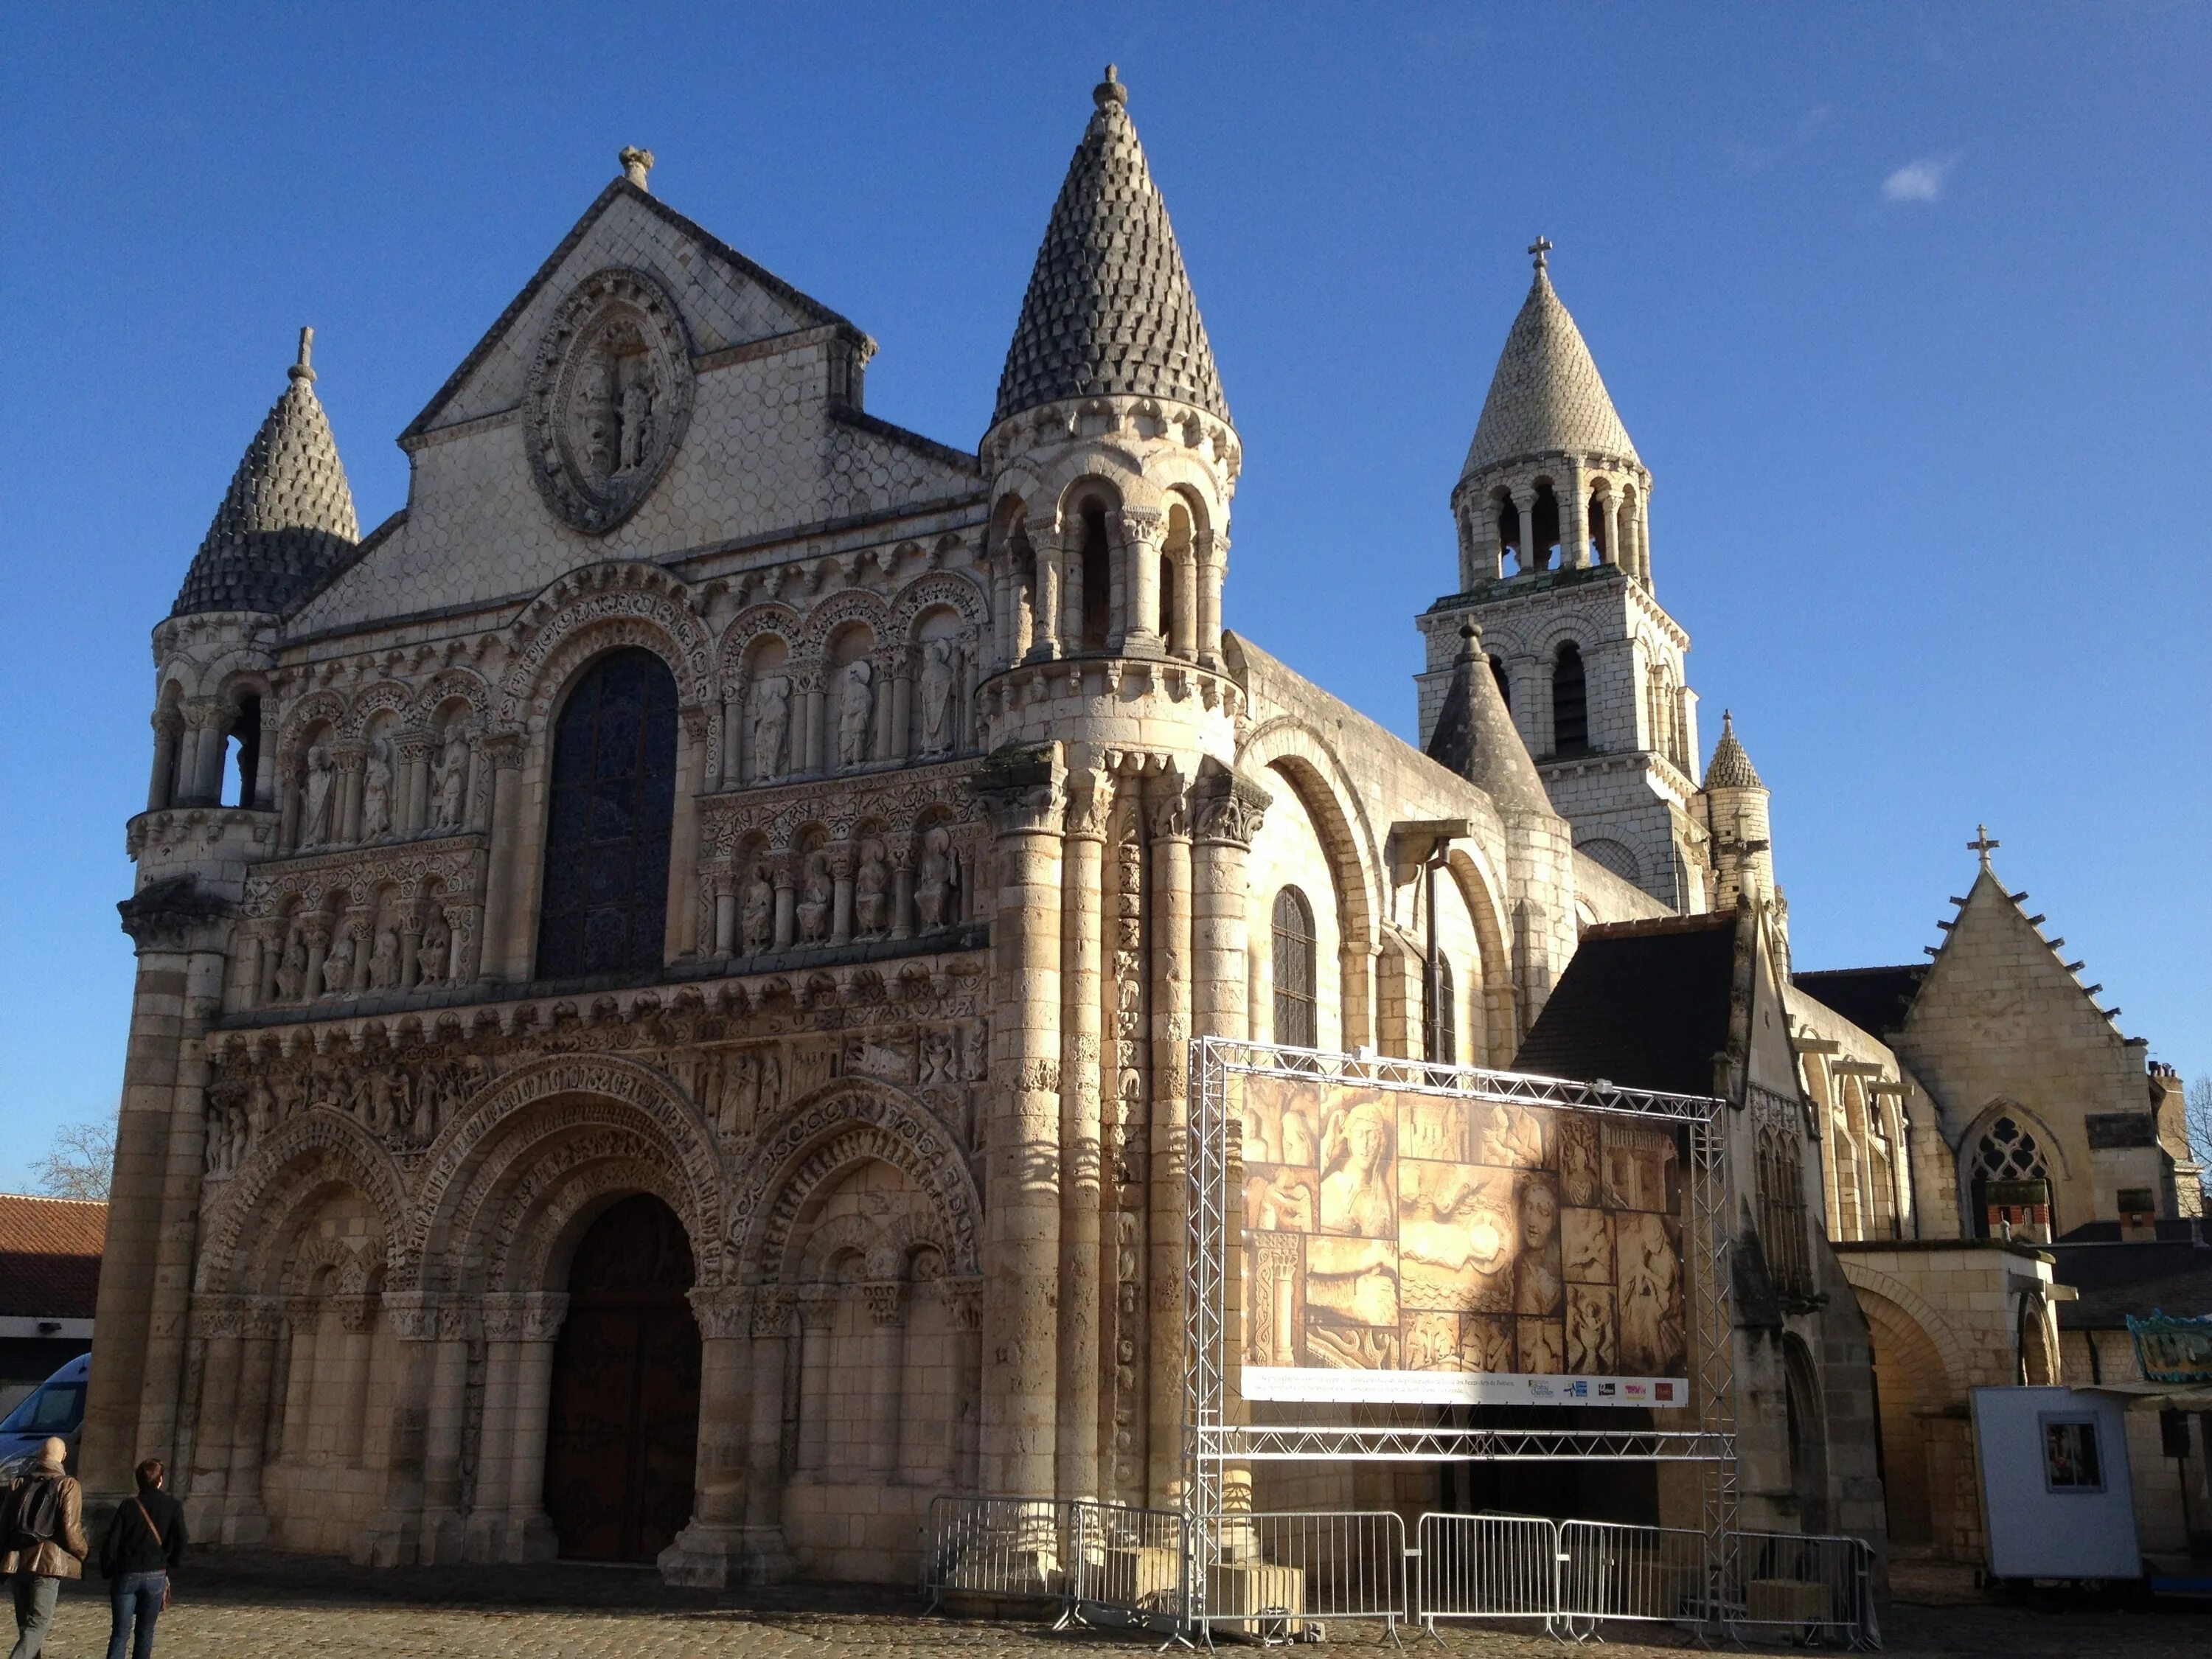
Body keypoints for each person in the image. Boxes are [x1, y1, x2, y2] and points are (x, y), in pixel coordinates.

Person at [1, 1435, 88, 1659]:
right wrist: (83, 1553)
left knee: (26, 1628)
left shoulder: (18, 1483)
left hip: (17, 1562)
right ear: (64, 1456)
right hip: (48, 1565)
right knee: (38, 1625)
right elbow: (71, 1531)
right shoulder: (68, 1485)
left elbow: (3, 1526)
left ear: (41, 1455)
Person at [97, 1459, 184, 1659]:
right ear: (160, 1480)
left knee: (120, 1632)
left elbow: (112, 1541)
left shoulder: (128, 1506)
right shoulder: (172, 1505)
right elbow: (181, 1538)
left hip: (127, 1572)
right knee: (145, 1632)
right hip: (155, 1573)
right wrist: (171, 1561)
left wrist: (108, 1568)